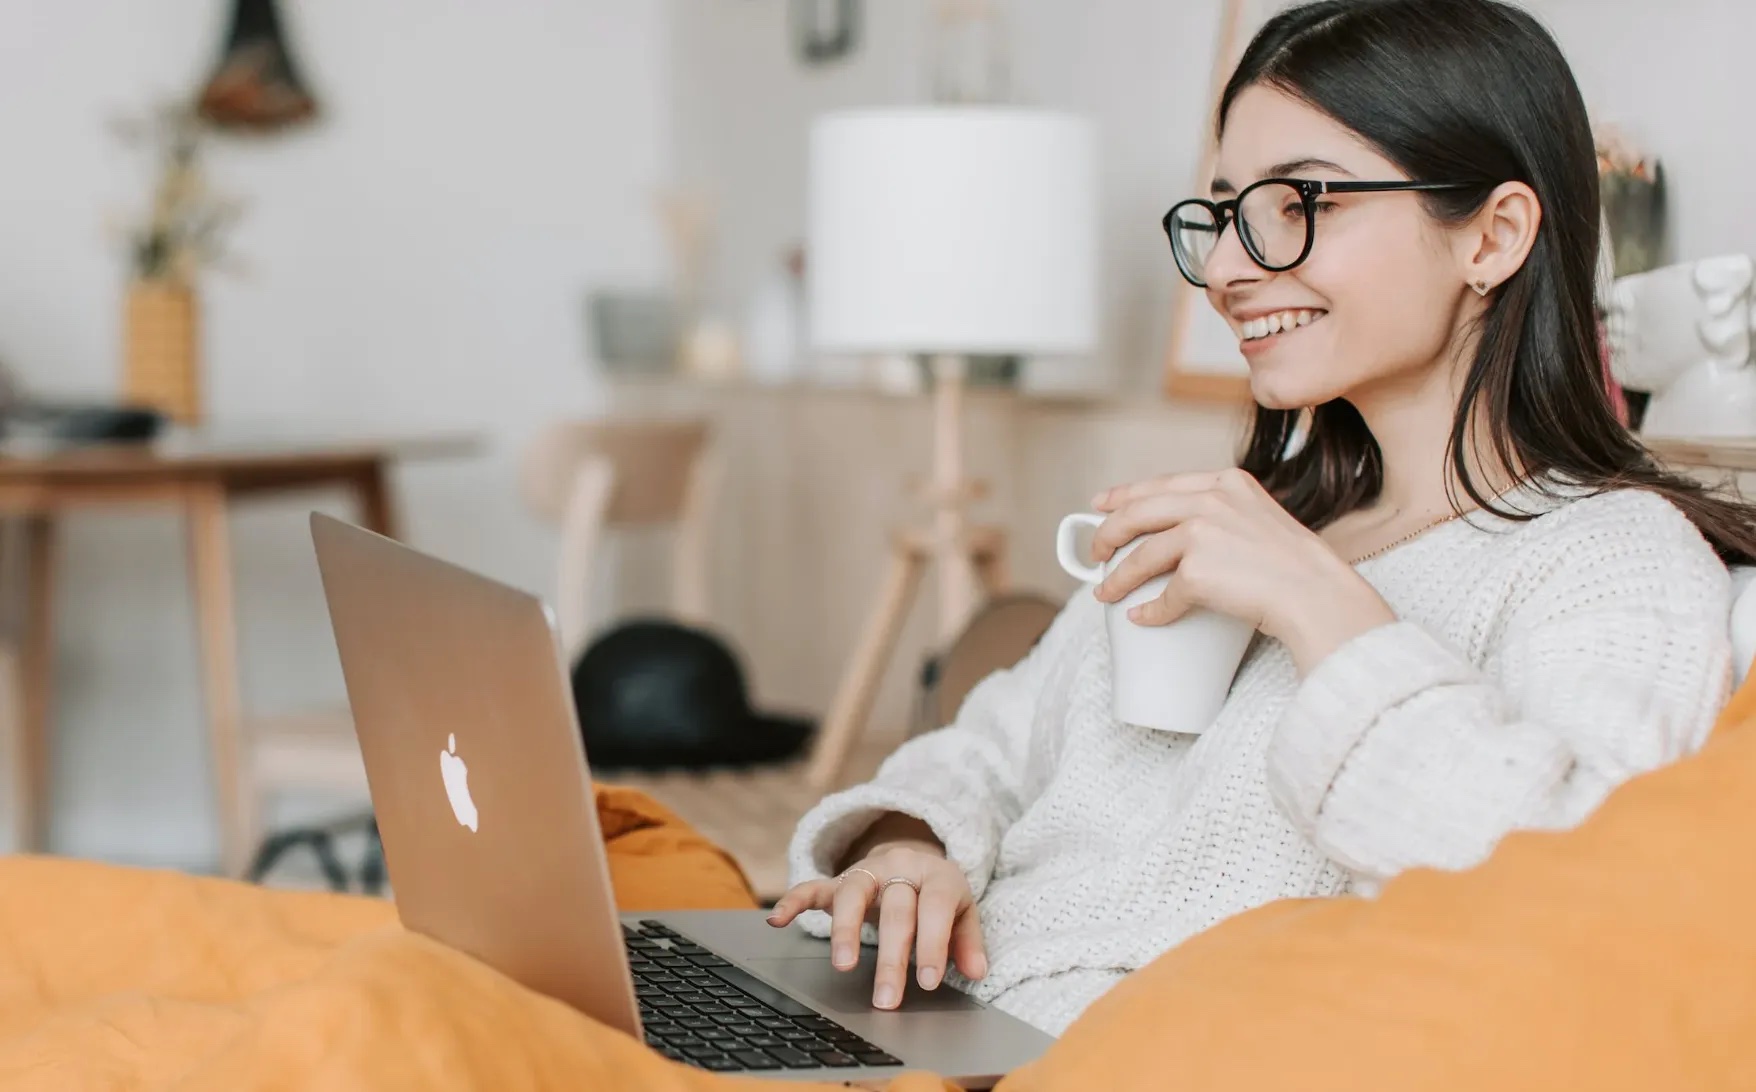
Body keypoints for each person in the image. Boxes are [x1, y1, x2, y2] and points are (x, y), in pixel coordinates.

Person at [768, 0, 1756, 1037]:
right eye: (1227, 212)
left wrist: (1318, 606)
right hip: (922, 1017)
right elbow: (985, 748)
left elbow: (1565, 891)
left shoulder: (1605, 559)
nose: (1232, 270)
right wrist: (910, 847)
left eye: (1299, 203)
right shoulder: (1246, 518)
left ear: (1493, 236)